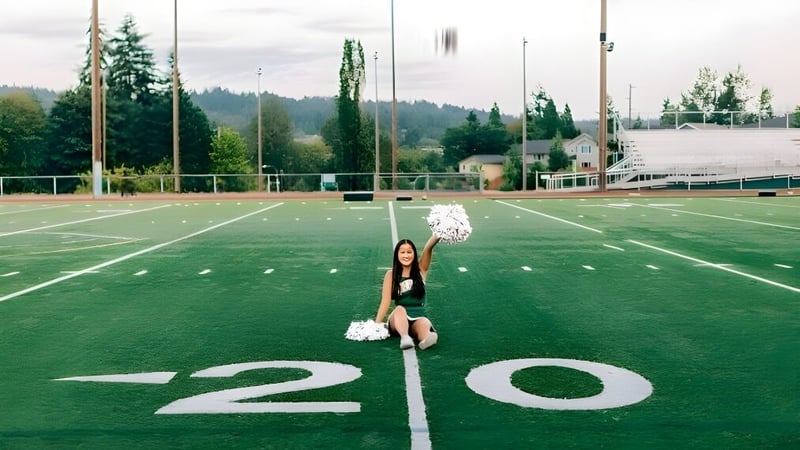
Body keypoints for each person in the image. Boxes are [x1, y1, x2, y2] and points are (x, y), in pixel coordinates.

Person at [375, 235, 441, 350]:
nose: (406, 255)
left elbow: (428, 248)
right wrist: (377, 324)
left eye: (409, 252)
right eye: (403, 252)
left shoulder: (421, 270)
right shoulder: (391, 275)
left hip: (418, 315)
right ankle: (405, 338)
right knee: (400, 309)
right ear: (397, 255)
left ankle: (425, 339)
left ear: (414, 254)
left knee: (424, 322)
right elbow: (385, 301)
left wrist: (437, 236)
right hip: (398, 319)